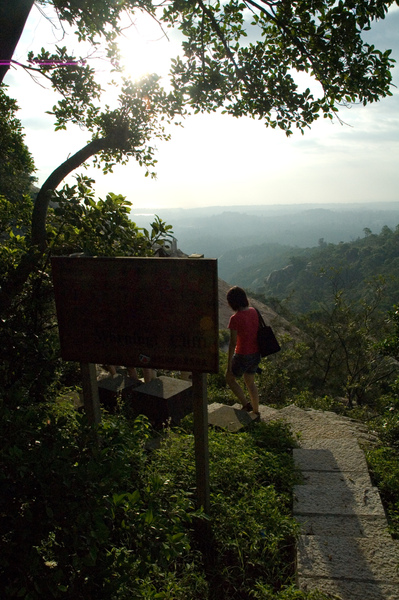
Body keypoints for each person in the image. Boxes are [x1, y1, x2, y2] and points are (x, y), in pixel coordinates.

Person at [225, 286, 260, 415]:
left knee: (229, 379)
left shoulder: (235, 318)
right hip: (256, 353)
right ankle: (256, 411)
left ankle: (246, 404)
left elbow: (233, 342)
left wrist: (229, 365)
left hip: (242, 354)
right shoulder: (254, 311)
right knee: (250, 383)